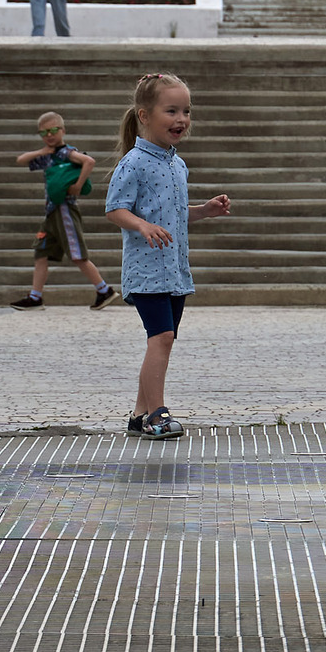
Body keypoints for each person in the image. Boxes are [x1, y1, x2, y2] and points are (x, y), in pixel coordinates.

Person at [102, 73, 232, 441]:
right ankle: (157, 415)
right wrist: (141, 226)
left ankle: (139, 414)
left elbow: (174, 213)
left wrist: (203, 211)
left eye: (186, 111)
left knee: (164, 338)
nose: (181, 119)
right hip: (146, 272)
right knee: (160, 338)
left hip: (174, 269)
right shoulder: (134, 162)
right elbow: (115, 209)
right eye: (171, 110)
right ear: (144, 115)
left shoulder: (177, 164)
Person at [11, 111, 117, 312]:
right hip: (51, 212)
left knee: (77, 255)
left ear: (63, 130)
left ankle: (104, 290)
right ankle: (35, 297)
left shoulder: (66, 152)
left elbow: (89, 161)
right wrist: (42, 151)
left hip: (64, 209)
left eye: (53, 130)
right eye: (44, 132)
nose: (49, 135)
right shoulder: (49, 156)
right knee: (41, 253)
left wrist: (78, 184)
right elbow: (21, 160)